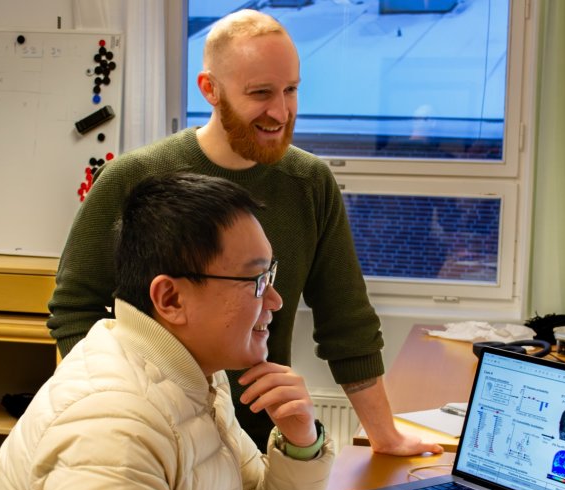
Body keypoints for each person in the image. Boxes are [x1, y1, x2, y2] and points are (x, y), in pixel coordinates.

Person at [47, 8, 442, 457]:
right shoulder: (134, 178)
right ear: (210, 89)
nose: (281, 111)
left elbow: (345, 319)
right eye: (260, 93)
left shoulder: (309, 183)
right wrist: (126, 403)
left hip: (262, 447)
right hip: (154, 440)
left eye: (291, 90)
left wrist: (384, 434)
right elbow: (74, 307)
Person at [0, 173, 334, 490]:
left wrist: (300, 444)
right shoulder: (112, 426)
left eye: (271, 274)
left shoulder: (193, 376)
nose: (275, 300)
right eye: (256, 280)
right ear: (170, 299)